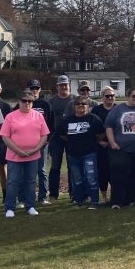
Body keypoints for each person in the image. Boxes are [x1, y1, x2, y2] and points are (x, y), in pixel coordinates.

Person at [0, 90, 50, 218]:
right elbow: (5, 137)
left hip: (33, 155)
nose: (27, 103)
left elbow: (44, 135)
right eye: (24, 101)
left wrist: (36, 149)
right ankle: (10, 207)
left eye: (30, 101)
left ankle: (30, 206)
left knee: (31, 181)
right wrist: (18, 151)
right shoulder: (11, 116)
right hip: (14, 156)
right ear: (19, 102)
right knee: (12, 181)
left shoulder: (38, 116)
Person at [104, 88, 135, 209]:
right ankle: (116, 202)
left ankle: (129, 200)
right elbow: (109, 126)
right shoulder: (118, 109)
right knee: (120, 175)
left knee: (134, 175)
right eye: (134, 96)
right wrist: (112, 142)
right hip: (121, 149)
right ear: (128, 96)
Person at [58, 96, 105, 209]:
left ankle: (94, 201)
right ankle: (79, 201)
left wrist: (95, 141)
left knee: (91, 177)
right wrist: (72, 141)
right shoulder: (68, 120)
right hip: (73, 154)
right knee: (77, 179)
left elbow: (102, 133)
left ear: (88, 106)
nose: (81, 106)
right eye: (78, 104)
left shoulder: (93, 118)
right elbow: (62, 134)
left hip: (89, 153)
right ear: (74, 106)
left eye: (84, 104)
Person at [23, 79, 55, 204]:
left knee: (41, 170)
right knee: (25, 171)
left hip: (42, 143)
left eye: (36, 88)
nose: (34, 90)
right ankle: (24, 198)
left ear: (40, 89)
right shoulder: (22, 104)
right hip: (25, 144)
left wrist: (47, 140)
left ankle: (42, 197)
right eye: (32, 88)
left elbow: (52, 125)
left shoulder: (45, 105)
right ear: (27, 89)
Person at [46, 75, 75, 203]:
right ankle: (53, 194)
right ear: (57, 86)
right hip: (56, 137)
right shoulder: (51, 101)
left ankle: (73, 194)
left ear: (69, 85)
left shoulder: (74, 100)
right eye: (61, 85)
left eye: (65, 84)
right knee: (55, 165)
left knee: (72, 166)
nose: (63, 87)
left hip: (72, 137)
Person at [91, 87, 116, 200]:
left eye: (112, 95)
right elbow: (91, 128)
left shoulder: (118, 108)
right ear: (102, 97)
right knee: (102, 171)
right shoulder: (96, 110)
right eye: (107, 96)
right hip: (101, 146)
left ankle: (115, 196)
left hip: (116, 146)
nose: (110, 98)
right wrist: (100, 141)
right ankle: (104, 197)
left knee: (115, 170)